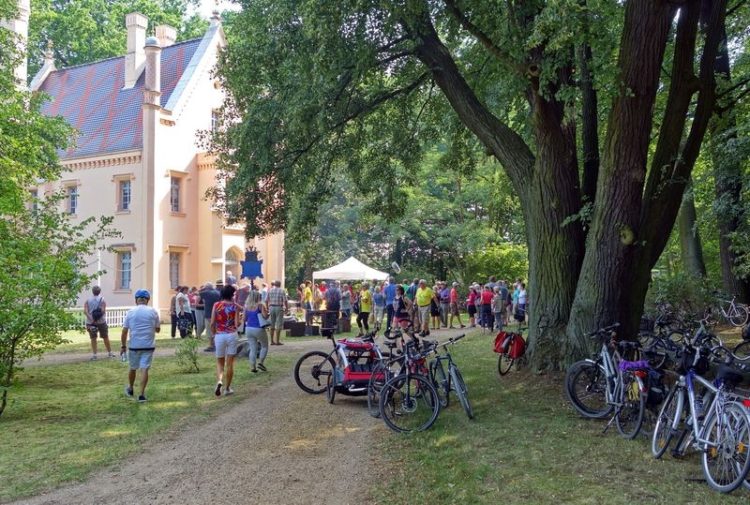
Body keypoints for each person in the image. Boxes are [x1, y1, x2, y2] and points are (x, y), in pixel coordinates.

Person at [121, 289, 161, 403]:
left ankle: (130, 388)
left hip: (134, 345)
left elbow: (124, 331)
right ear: (147, 300)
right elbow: (158, 329)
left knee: (133, 368)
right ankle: (142, 394)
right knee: (144, 369)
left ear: (136, 300)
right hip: (148, 345)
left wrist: (123, 346)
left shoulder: (131, 312)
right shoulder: (153, 311)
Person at [211, 285, 242, 396]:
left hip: (219, 335)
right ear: (231, 295)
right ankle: (227, 388)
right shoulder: (234, 306)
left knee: (220, 362)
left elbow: (212, 322)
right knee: (230, 364)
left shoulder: (216, 305)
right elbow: (237, 324)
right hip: (232, 335)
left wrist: (214, 333)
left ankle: (219, 381)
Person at [84, 286, 114, 360]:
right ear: (99, 292)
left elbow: (85, 311)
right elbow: (103, 310)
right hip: (101, 321)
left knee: (93, 338)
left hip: (90, 323)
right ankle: (110, 353)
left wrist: (91, 318)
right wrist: (97, 318)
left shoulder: (87, 300)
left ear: (92, 291)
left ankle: (94, 355)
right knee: (105, 337)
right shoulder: (102, 300)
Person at [244, 288, 269, 373]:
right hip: (258, 328)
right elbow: (265, 316)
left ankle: (253, 367)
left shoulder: (246, 306)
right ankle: (261, 363)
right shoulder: (260, 305)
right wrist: (267, 313)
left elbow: (244, 319)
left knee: (253, 348)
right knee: (264, 345)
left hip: (248, 328)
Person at [200, 282, 221, 352]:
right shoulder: (218, 292)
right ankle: (217, 344)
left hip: (209, 314)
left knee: (209, 330)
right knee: (216, 329)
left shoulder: (206, 293)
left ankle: (211, 345)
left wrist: (203, 288)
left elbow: (199, 293)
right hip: (217, 314)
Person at [266, 280, 288, 345]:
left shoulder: (270, 290)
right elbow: (285, 300)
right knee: (279, 324)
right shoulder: (282, 290)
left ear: (274, 284)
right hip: (279, 307)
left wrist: (267, 307)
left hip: (271, 307)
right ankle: (277, 341)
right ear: (280, 284)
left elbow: (266, 300)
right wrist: (287, 308)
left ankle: (272, 341)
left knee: (272, 324)